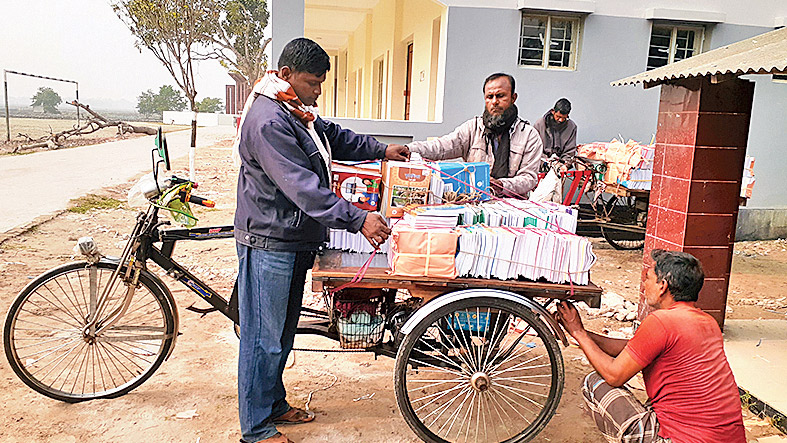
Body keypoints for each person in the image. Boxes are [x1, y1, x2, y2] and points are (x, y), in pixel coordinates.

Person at [233, 38, 409, 443]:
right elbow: (304, 188)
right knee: (263, 338)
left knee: (282, 332)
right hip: (268, 240)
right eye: (313, 83)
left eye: (321, 83)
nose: (317, 92)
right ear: (286, 75)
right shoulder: (269, 121)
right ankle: (256, 429)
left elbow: (330, 134)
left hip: (292, 237)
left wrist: (382, 149)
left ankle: (273, 403)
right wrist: (357, 219)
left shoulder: (293, 109)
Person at [554, 249, 745, 442]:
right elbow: (633, 347)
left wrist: (578, 333)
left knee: (595, 382)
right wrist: (581, 333)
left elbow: (614, 375)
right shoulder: (708, 322)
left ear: (662, 286)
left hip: (685, 439)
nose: (644, 286)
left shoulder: (661, 322)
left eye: (648, 278)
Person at [406, 73, 543, 198]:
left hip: (513, 207)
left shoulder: (529, 136)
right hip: (474, 201)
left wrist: (501, 185)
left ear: (513, 98)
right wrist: (408, 150)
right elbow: (442, 147)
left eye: (500, 96)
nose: (494, 102)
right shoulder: (473, 128)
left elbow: (528, 178)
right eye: (490, 97)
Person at [532, 98, 577, 166]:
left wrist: (562, 165)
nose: (561, 120)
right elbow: (534, 148)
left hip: (561, 167)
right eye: (558, 116)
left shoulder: (572, 127)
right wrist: (546, 162)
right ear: (553, 111)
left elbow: (570, 151)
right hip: (540, 164)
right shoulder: (540, 124)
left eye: (564, 118)